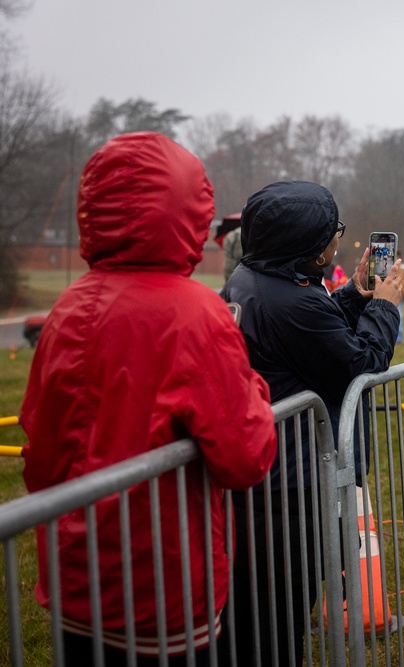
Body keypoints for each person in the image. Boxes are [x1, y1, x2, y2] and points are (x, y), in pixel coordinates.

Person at [20, 132, 277, 666]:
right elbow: (246, 455)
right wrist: (248, 378)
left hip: (74, 577)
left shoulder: (67, 308)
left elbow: (38, 441)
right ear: (187, 213)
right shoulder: (195, 314)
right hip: (163, 589)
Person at [220, 180, 404, 667]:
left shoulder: (256, 277)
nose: (338, 240)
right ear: (306, 241)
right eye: (332, 231)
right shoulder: (293, 300)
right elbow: (359, 360)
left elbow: (309, 337)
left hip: (268, 472)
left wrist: (353, 295)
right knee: (280, 612)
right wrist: (385, 306)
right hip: (293, 480)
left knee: (255, 609)